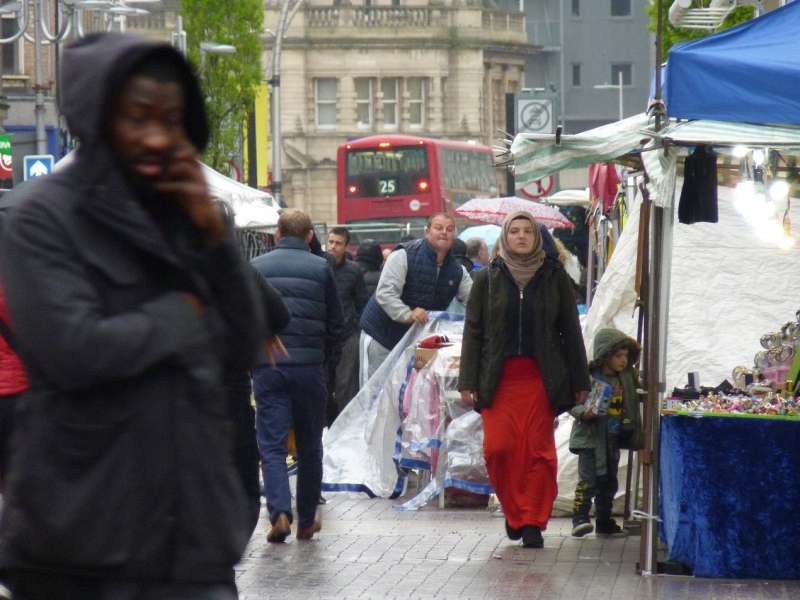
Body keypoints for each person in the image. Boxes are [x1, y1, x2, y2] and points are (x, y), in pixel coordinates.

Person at [0, 33, 266, 599]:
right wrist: (182, 313)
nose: (156, 137)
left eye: (171, 119)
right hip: (85, 540)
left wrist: (217, 242)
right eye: (137, 117)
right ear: (98, 117)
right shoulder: (39, 216)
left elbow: (242, 345)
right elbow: (74, 351)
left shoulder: (184, 214)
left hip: (191, 537)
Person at [458, 211, 590, 549]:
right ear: (505, 237)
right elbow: (473, 332)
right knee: (499, 449)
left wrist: (580, 379)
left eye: (526, 231)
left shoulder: (554, 276)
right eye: (514, 231)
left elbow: (570, 332)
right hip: (498, 378)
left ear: (536, 236)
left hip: (539, 378)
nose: (520, 236)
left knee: (538, 453)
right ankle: (514, 510)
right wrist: (467, 380)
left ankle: (531, 519)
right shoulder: (487, 279)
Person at [251, 210, 345, 543]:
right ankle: (306, 520)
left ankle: (279, 513)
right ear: (309, 236)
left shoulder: (258, 267)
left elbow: (250, 318)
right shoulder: (321, 268)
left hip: (270, 367)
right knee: (309, 447)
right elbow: (337, 323)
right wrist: (325, 360)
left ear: (277, 233)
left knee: (272, 445)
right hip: (309, 368)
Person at [360, 213, 472, 379]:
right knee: (377, 394)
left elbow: (475, 298)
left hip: (419, 343)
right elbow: (385, 294)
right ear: (427, 232)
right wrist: (408, 314)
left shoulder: (457, 271)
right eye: (438, 228)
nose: (444, 233)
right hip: (382, 337)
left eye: (449, 229)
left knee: (411, 395)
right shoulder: (403, 255)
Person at [569, 328, 642, 538]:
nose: (623, 361)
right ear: (605, 355)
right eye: (618, 356)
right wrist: (585, 413)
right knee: (588, 480)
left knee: (609, 481)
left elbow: (640, 390)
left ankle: (604, 520)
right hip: (591, 438)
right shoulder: (589, 378)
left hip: (612, 438)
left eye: (627, 356)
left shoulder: (627, 378)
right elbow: (572, 403)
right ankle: (580, 518)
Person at [326, 227, 368, 421]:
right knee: (324, 385)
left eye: (338, 243)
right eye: (331, 242)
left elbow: (361, 302)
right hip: (323, 336)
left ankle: (344, 427)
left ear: (346, 246)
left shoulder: (354, 270)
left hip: (346, 335)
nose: (333, 247)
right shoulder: (319, 265)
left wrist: (356, 330)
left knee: (345, 386)